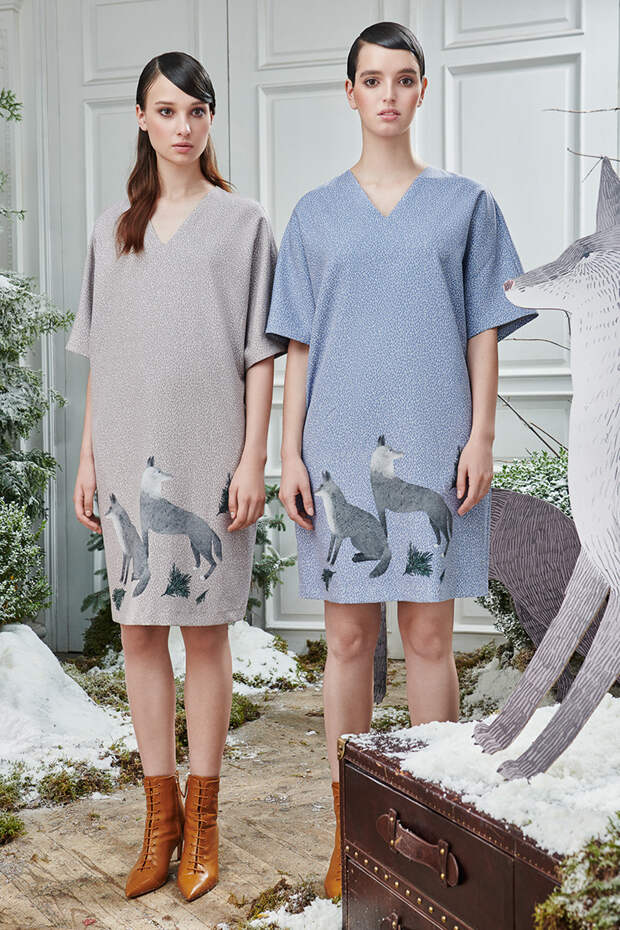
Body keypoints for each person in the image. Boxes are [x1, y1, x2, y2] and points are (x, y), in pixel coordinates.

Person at [264, 21, 538, 898]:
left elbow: (483, 328)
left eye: (404, 79)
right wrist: (287, 453)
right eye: (373, 80)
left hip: (435, 435)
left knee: (428, 635)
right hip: (336, 444)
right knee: (347, 639)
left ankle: (433, 825)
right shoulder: (314, 215)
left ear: (422, 90)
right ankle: (350, 833)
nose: (388, 94)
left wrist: (481, 436)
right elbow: (298, 343)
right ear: (349, 93)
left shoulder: (466, 205)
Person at [66, 51, 287, 902]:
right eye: (167, 111)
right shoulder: (110, 230)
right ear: (141, 119)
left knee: (204, 633)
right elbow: (102, 358)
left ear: (210, 118)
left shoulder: (244, 224)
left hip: (210, 452)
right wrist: (89, 456)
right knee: (137, 633)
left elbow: (261, 354)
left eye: (197, 111)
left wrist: (253, 459)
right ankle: (159, 821)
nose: (183, 126)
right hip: (130, 452)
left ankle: (205, 819)